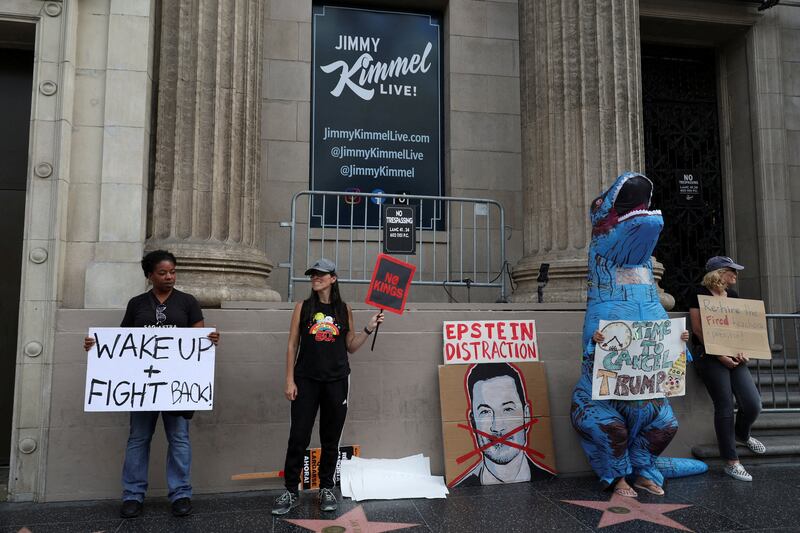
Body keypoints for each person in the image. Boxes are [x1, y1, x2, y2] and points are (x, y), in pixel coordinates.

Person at [83, 250, 219, 518]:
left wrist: (209, 340)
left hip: (177, 386)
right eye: (163, 272)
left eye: (173, 272)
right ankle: (133, 495)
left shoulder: (188, 302)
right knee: (138, 439)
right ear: (149, 275)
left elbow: (197, 337)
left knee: (179, 438)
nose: (169, 277)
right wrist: (97, 346)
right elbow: (123, 342)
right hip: (142, 387)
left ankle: (181, 493)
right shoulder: (137, 304)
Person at [271, 258, 384, 515]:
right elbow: (292, 345)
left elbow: (351, 346)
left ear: (333, 278)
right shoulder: (303, 307)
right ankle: (290, 490)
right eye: (312, 275)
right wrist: (289, 379)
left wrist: (369, 327)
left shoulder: (344, 310)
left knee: (330, 439)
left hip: (337, 381)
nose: (315, 278)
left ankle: (326, 488)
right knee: (298, 436)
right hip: (306, 380)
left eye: (320, 274)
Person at [688, 256, 765, 481]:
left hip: (733, 356)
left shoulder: (733, 296)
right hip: (709, 356)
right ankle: (731, 462)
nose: (735, 275)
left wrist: (742, 351)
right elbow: (699, 330)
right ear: (719, 272)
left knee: (753, 404)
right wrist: (721, 356)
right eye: (732, 271)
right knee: (724, 405)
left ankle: (742, 434)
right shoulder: (698, 294)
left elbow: (737, 328)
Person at [454, 363, 554, 486]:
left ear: (526, 416)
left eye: (508, 409)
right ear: (473, 422)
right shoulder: (462, 490)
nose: (497, 427)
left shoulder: (548, 480)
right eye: (485, 412)